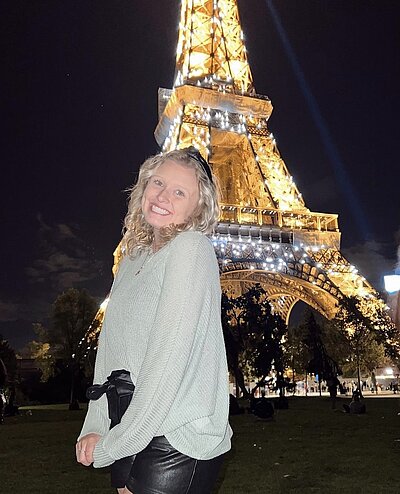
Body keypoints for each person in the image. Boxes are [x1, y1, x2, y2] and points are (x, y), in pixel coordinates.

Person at [76, 147, 232, 494]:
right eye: (158, 183)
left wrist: (117, 444)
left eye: (180, 192)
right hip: (131, 421)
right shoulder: (133, 258)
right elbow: (111, 348)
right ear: (143, 186)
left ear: (198, 207)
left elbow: (168, 360)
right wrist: (97, 422)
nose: (163, 196)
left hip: (177, 434)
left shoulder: (192, 249)